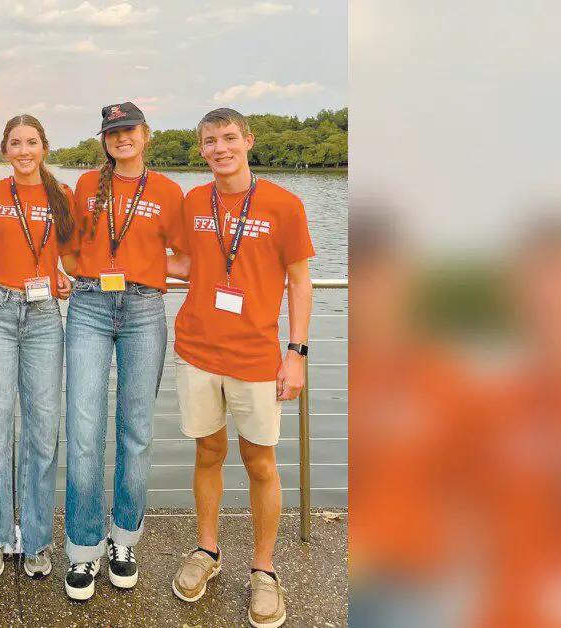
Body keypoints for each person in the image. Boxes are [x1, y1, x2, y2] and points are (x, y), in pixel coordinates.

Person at [168, 107, 314, 628]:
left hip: (256, 357)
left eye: (229, 138)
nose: (220, 148)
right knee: (208, 452)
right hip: (197, 351)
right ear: (201, 149)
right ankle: (207, 552)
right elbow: (182, 264)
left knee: (261, 463)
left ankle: (264, 569)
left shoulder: (283, 204)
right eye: (210, 141)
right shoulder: (192, 201)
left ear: (249, 140)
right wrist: (113, 262)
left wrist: (296, 353)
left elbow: (300, 282)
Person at [61, 101, 187, 601]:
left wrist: (148, 272)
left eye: (128, 130)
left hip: (143, 309)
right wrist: (85, 277)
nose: (121, 138)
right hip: (89, 305)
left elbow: (184, 257)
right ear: (105, 139)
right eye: (112, 132)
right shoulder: (87, 186)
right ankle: (84, 547)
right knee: (84, 429)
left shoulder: (168, 191)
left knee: (135, 430)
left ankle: (125, 540)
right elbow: (67, 249)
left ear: (146, 134)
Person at [0, 114, 75, 581]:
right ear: (5, 150)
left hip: (44, 316)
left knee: (42, 426)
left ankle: (35, 539)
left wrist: (64, 276)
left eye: (32, 142)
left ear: (44, 147)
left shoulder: (61, 196)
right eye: (15, 143)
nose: (24, 150)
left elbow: (70, 253)